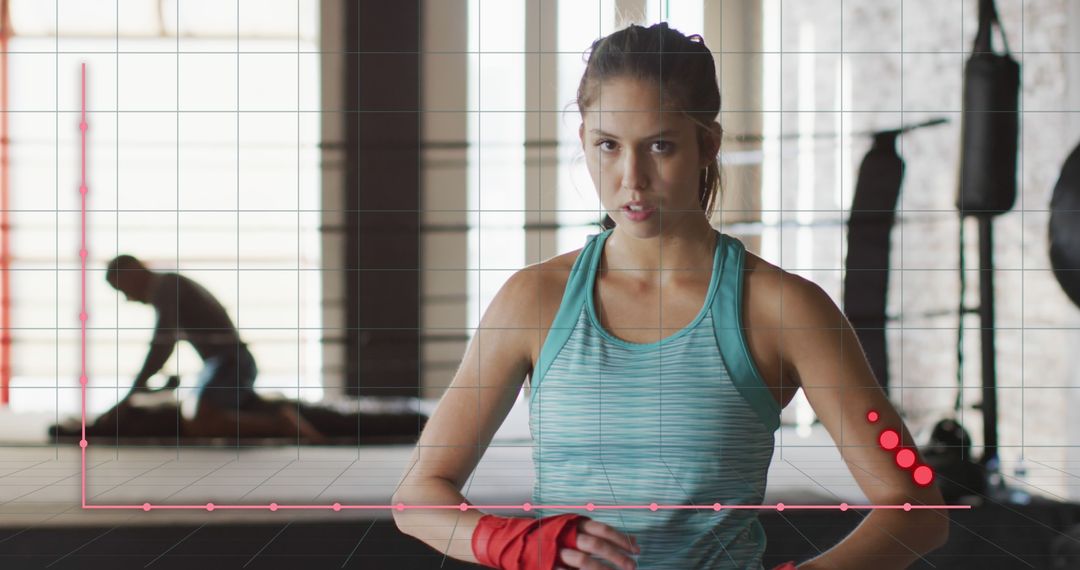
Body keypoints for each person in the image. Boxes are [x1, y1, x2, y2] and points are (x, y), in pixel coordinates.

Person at [392, 23, 948, 569]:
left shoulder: (784, 310)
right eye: (607, 145)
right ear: (583, 138)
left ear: (707, 144)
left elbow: (918, 503)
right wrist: (515, 544)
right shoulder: (532, 300)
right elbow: (417, 497)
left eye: (659, 145)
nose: (631, 179)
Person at [105, 254, 323, 442]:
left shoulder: (167, 287)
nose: (129, 298)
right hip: (229, 362)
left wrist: (132, 393)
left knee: (199, 419)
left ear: (133, 273)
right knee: (226, 413)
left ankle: (281, 425)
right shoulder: (171, 285)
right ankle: (291, 427)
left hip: (229, 362)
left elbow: (162, 344)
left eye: (123, 290)